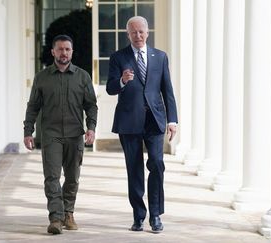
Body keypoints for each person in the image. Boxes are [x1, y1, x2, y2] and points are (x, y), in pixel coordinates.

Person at [106, 16, 178, 233]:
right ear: (127, 34)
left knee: (156, 164)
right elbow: (110, 88)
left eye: (141, 32)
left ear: (147, 33)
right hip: (129, 121)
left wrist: (172, 120)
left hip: (155, 120)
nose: (137, 35)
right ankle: (139, 216)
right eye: (133, 32)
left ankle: (155, 215)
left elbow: (167, 90)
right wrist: (122, 81)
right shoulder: (118, 57)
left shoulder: (160, 57)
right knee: (134, 170)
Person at [23, 34, 98, 234]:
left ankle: (69, 213)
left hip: (75, 135)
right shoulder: (42, 78)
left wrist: (91, 127)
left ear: (71, 52)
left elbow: (91, 106)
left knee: (72, 178)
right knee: (52, 177)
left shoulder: (83, 77)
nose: (64, 53)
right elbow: (33, 108)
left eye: (67, 49)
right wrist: (28, 131)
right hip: (51, 135)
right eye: (60, 49)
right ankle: (56, 218)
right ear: (53, 52)